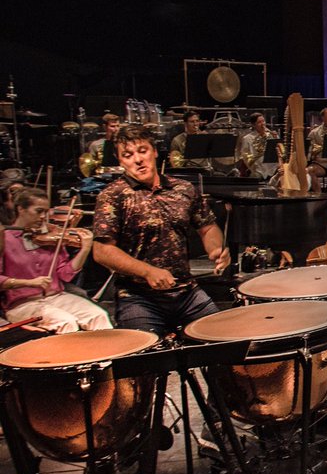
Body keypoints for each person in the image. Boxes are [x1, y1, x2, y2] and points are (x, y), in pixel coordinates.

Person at [92, 124, 230, 336]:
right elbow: (102, 251)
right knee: (148, 358)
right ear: (120, 161)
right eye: (128, 155)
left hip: (186, 291)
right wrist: (147, 271)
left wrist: (215, 250)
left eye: (143, 151)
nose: (137, 160)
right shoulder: (112, 195)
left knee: (223, 341)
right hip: (138, 296)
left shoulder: (183, 189)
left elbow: (208, 227)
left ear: (154, 152)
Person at [1, 188, 110, 333]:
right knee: (65, 322)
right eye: (38, 211)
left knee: (99, 316)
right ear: (21, 209)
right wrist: (29, 283)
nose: (43, 217)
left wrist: (85, 249)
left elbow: (65, 274)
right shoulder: (5, 239)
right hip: (21, 304)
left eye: (46, 212)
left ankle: (108, 355)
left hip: (56, 296)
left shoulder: (52, 237)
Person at [236, 112, 277, 179]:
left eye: (263, 121)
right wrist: (253, 167)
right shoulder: (247, 138)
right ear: (253, 125)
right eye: (259, 122)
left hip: (272, 169)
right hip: (258, 169)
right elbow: (245, 155)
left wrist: (275, 138)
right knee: (255, 177)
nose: (263, 124)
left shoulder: (271, 135)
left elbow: (278, 151)